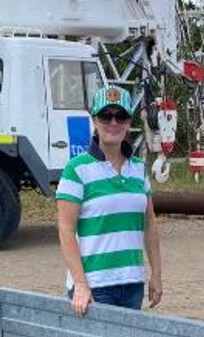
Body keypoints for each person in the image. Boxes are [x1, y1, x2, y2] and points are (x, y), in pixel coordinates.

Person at [56, 86, 163, 316]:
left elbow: (150, 223)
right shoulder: (76, 169)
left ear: (128, 123)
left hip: (132, 283)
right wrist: (81, 284)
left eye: (120, 116)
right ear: (95, 121)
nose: (113, 122)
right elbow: (66, 229)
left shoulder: (138, 169)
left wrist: (156, 273)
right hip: (95, 286)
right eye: (106, 116)